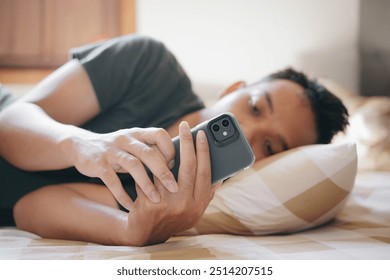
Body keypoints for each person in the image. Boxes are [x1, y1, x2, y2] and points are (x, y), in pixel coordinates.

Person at [0, 35, 349, 246]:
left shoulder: (188, 192)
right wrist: (82, 145)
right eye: (255, 107)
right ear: (232, 89)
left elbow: (29, 207)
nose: (248, 130)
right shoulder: (150, 65)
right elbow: (10, 124)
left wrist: (132, 232)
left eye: (271, 147)